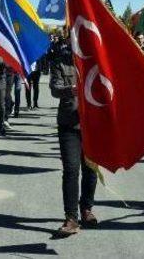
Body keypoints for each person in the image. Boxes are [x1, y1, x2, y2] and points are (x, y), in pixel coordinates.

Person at [50, 33, 98, 237]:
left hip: (93, 126)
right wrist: (71, 89)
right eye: (73, 38)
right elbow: (54, 88)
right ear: (69, 40)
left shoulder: (96, 62)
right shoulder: (61, 62)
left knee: (90, 170)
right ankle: (71, 218)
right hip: (69, 124)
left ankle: (86, 209)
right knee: (71, 170)